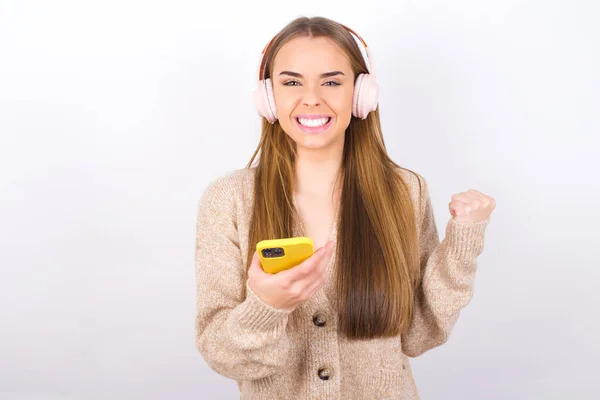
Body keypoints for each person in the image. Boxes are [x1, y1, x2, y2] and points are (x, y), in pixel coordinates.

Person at [194, 15, 496, 400]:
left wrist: (463, 242)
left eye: (332, 81)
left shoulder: (405, 191)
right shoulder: (228, 200)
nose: (312, 98)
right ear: (268, 98)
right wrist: (267, 306)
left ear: (361, 94)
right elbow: (224, 357)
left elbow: (419, 334)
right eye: (291, 82)